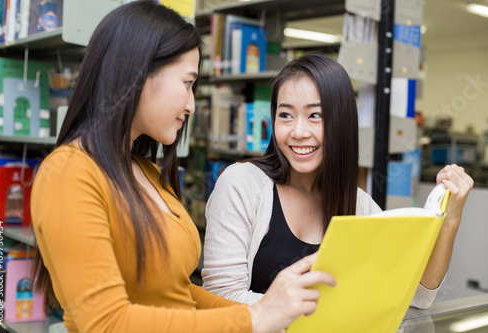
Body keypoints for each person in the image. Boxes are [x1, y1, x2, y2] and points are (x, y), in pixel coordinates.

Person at [30, 3, 337, 333]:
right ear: (139, 73)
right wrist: (254, 318)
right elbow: (106, 323)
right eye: (188, 83)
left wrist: (270, 312)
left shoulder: (144, 170)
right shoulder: (69, 173)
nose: (191, 104)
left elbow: (176, 292)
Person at [202, 53, 474, 309]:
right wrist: (327, 313)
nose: (298, 132)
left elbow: (418, 296)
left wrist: (449, 221)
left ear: (340, 123)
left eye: (315, 116)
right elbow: (221, 298)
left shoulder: (358, 204)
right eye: (285, 115)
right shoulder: (241, 185)